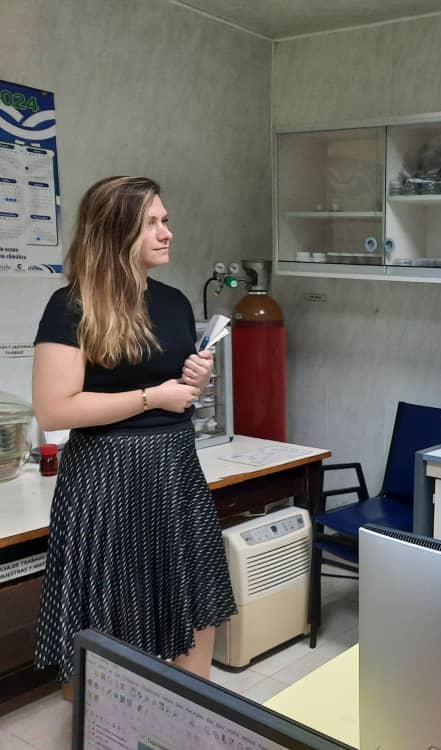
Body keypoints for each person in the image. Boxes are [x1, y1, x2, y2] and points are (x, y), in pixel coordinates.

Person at [32, 176, 237, 687]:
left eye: (166, 220)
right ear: (115, 231)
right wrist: (152, 397)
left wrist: (195, 381)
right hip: (106, 478)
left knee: (197, 595)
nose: (167, 232)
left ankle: (189, 712)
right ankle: (114, 718)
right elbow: (54, 410)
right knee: (112, 613)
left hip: (174, 470)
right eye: (151, 223)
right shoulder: (71, 306)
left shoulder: (174, 302)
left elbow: (176, 387)